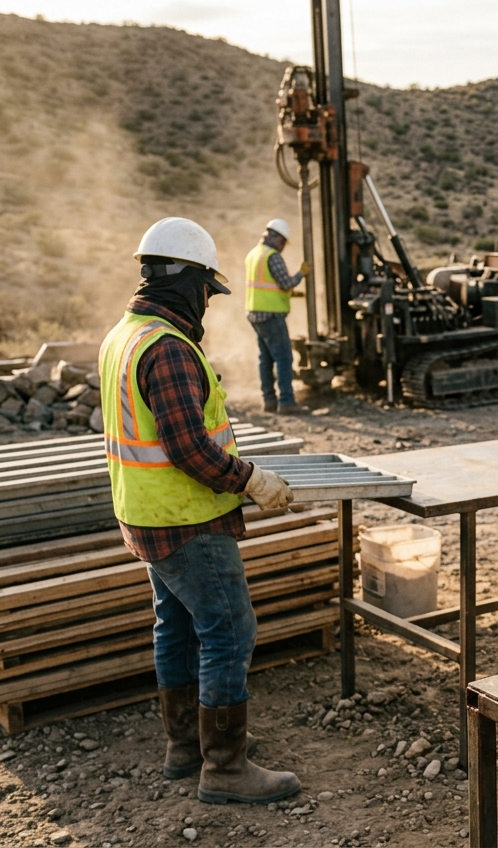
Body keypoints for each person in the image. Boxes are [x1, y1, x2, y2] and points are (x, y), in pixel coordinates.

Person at [101, 216, 302, 805]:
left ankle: (186, 747)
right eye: (207, 294)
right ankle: (225, 768)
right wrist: (252, 480)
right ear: (188, 282)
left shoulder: (125, 334)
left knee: (178, 627)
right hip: (186, 520)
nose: (209, 307)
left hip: (144, 515)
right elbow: (189, 448)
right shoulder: (167, 349)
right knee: (229, 633)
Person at [245, 218, 309, 414]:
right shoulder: (272, 256)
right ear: (276, 238)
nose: (282, 247)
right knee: (283, 358)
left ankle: (269, 401)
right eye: (282, 242)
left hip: (255, 313)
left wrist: (290, 294)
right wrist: (301, 274)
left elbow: (266, 285)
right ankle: (287, 402)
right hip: (271, 315)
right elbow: (285, 283)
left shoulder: (253, 254)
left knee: (265, 359)